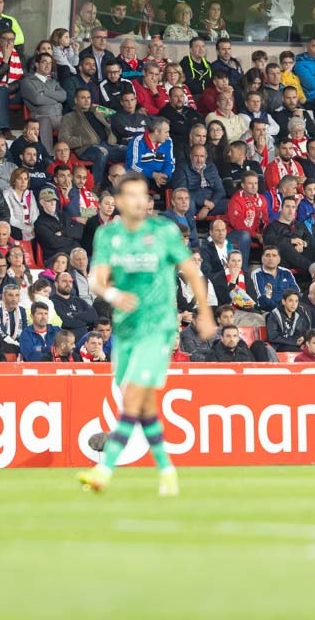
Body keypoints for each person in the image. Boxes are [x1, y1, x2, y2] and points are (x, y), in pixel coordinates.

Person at [78, 173, 214, 497]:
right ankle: (167, 470)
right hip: (126, 330)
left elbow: (192, 272)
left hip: (159, 327)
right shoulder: (108, 235)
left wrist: (205, 312)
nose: (140, 201)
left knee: (134, 396)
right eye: (133, 195)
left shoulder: (163, 231)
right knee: (143, 405)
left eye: (144, 195)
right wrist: (112, 296)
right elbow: (96, 280)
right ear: (119, 201)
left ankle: (104, 471)